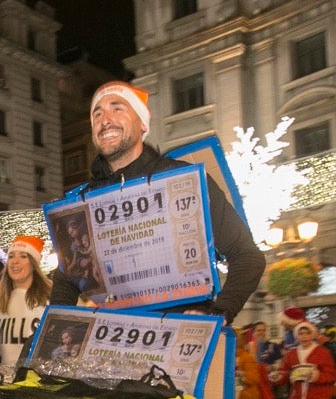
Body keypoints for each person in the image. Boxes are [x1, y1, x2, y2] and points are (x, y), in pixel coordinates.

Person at [55, 81, 264, 320]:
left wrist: (218, 313)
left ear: (143, 123)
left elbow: (247, 256)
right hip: (113, 342)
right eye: (97, 113)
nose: (105, 120)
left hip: (176, 341)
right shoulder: (83, 201)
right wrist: (53, 328)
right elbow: (67, 276)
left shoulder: (186, 181)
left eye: (117, 108)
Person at [0, 233, 53, 379]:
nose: (15, 261)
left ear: (33, 264)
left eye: (23, 256)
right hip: (5, 386)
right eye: (11, 256)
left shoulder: (48, 305)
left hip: (37, 386)